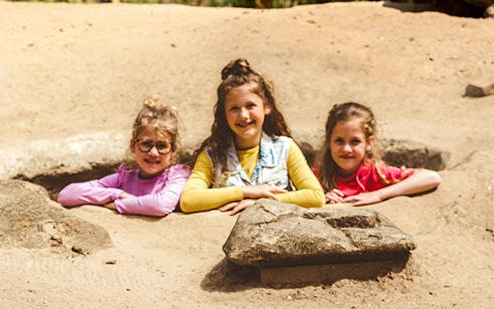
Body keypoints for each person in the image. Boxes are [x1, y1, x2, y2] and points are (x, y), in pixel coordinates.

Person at [179, 59, 324, 215]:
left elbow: (315, 197)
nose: (243, 115)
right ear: (224, 114)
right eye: (234, 108)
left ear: (266, 106)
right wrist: (245, 191)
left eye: (250, 106)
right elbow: (188, 200)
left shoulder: (285, 148)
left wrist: (261, 202)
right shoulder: (212, 156)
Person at [57, 100, 191, 217]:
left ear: (172, 150)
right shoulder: (125, 177)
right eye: (146, 144)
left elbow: (160, 205)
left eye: (162, 146)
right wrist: (117, 194)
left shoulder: (177, 175)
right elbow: (66, 195)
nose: (154, 152)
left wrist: (118, 205)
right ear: (133, 146)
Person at [314, 102, 441, 206]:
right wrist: (318, 199)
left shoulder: (376, 173)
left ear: (369, 142)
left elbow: (431, 177)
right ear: (329, 142)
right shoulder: (316, 176)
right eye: (339, 141)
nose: (347, 149)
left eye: (355, 142)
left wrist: (378, 195)